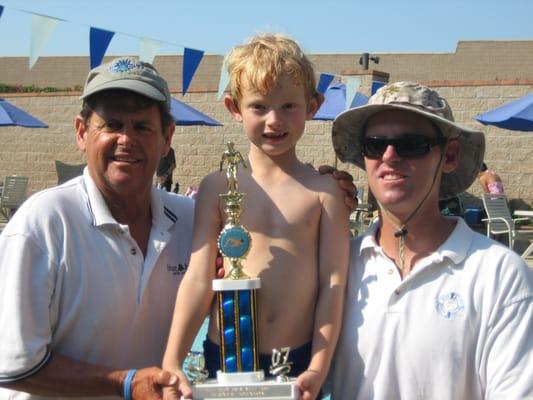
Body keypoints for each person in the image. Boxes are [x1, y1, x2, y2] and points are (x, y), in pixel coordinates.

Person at [162, 33, 350, 400]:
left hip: (294, 362)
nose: (274, 120)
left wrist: (318, 364)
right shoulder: (217, 188)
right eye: (260, 106)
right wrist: (173, 360)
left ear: (313, 106)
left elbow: (333, 285)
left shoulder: (325, 192)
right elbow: (198, 279)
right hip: (225, 356)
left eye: (289, 106)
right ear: (234, 107)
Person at [327, 81, 532, 399]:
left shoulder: (499, 274)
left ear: (449, 155)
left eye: (411, 144)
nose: (389, 156)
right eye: (375, 144)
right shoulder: (336, 268)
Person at [0, 57, 190, 399]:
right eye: (111, 125)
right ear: (81, 133)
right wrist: (126, 383)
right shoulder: (42, 223)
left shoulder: (192, 220)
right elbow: (12, 365)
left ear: (166, 137)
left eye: (142, 127)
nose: (126, 139)